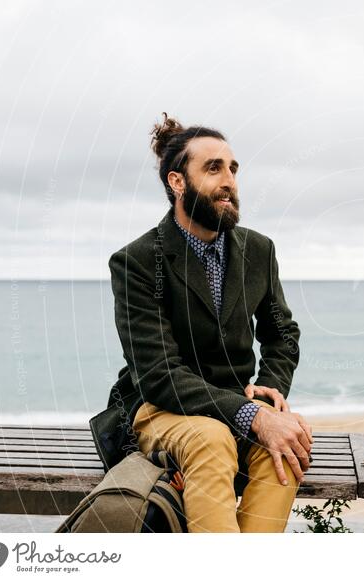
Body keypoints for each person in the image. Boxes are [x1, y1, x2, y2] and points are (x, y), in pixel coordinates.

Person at [93, 113, 311, 533]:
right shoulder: (137, 262)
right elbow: (160, 375)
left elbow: (283, 335)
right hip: (157, 408)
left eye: (233, 168)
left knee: (287, 442)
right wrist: (252, 415)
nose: (229, 180)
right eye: (213, 168)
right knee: (211, 440)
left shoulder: (258, 251)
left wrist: (270, 391)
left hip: (233, 401)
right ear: (177, 182)